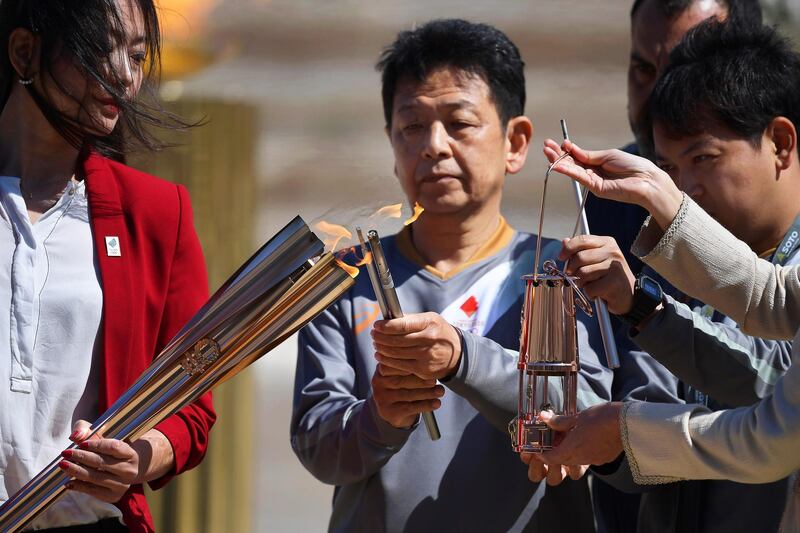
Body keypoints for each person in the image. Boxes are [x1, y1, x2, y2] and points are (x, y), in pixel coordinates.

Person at [290, 19, 616, 532]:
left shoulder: (566, 273)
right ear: (391, 142)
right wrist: (381, 417)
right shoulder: (348, 279)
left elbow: (593, 420)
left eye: (460, 123)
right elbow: (316, 445)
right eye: (412, 126)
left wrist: (464, 359)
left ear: (516, 142)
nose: (434, 146)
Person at [532, 18, 800, 532]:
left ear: (781, 143)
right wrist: (636, 303)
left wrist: (626, 431)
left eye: (704, 158)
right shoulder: (688, 259)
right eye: (670, 168)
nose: (688, 189)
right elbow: (770, 298)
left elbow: (771, 409)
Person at [0, 1, 215, 531]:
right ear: (25, 52)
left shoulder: (158, 212)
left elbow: (193, 403)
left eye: (138, 56)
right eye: (100, 47)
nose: (124, 74)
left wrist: (143, 454)